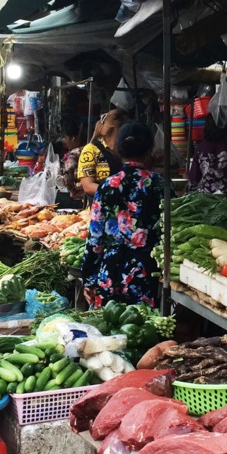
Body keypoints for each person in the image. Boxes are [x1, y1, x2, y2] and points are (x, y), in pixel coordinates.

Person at [82, 121, 164, 309]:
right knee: (142, 329)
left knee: (107, 330)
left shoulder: (107, 186)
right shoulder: (160, 184)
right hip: (145, 273)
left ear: (118, 150)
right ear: (149, 150)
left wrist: (88, 278)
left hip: (110, 272)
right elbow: (169, 230)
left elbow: (95, 238)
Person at [76, 109, 130, 197]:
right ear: (116, 129)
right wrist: (115, 193)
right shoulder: (91, 150)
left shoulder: (126, 150)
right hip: (99, 207)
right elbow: (88, 186)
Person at [188, 115, 227, 194]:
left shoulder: (200, 148)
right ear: (224, 127)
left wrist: (188, 193)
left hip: (206, 196)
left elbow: (193, 178)